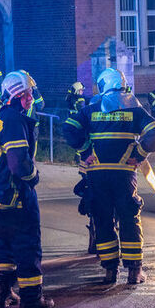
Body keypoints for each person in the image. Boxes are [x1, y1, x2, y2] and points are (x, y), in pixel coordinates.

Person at [63, 68, 155, 285]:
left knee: (103, 220)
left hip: (97, 175)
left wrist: (86, 151)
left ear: (104, 85)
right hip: (124, 175)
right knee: (129, 218)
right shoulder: (135, 109)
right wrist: (139, 155)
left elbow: (69, 129)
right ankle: (135, 272)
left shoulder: (91, 109)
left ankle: (110, 271)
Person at [0, 70, 54, 308]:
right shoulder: (15, 121)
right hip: (18, 194)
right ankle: (31, 298)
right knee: (28, 244)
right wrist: (33, 177)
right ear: (18, 95)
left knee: (6, 244)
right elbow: (18, 161)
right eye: (28, 94)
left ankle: (4, 293)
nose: (31, 99)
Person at [64, 81, 97, 254]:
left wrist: (83, 150)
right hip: (91, 159)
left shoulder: (79, 104)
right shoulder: (84, 107)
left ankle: (94, 239)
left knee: (91, 196)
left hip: (86, 158)